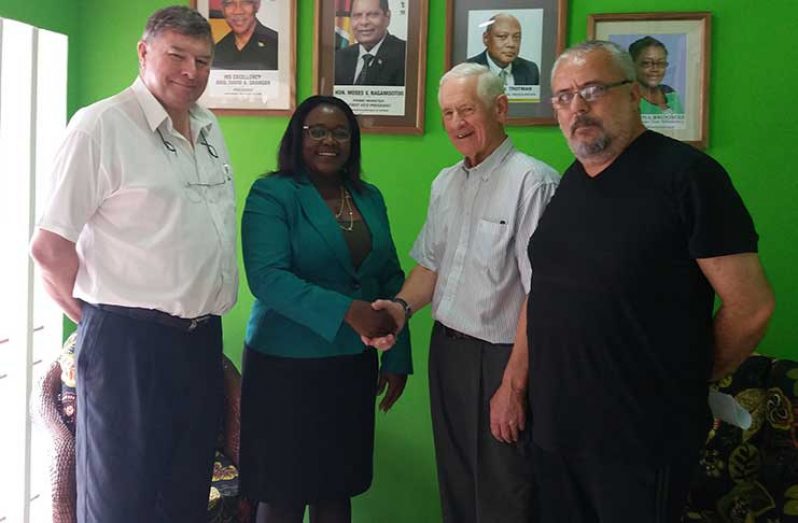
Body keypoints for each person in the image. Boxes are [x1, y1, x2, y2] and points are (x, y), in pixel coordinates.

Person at [526, 40, 775, 522]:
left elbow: (752, 306)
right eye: (563, 96)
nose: (577, 107)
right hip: (558, 432)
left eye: (593, 90)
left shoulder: (689, 178)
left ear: (634, 93)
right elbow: (548, 293)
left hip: (639, 439)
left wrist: (684, 380)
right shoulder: (574, 180)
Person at [29, 6, 237, 523]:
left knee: (184, 495)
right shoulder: (100, 126)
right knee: (121, 502)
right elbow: (49, 246)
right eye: (177, 56)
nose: (192, 72)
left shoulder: (209, 127)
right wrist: (100, 319)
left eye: (204, 61)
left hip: (200, 341)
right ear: (144, 53)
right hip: (128, 346)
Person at [363, 62, 559, 523]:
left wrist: (513, 385)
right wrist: (399, 308)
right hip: (447, 354)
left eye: (467, 110)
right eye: (448, 113)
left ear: (501, 108)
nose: (456, 124)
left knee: (506, 492)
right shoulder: (445, 183)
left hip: (504, 359)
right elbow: (432, 264)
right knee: (457, 483)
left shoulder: (535, 183)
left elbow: (543, 297)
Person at [238, 95, 412, 523]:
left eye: (340, 132)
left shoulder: (368, 196)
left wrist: (398, 354)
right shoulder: (273, 193)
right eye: (316, 130)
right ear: (297, 137)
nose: (328, 141)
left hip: (351, 367)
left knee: (337, 490)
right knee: (282, 494)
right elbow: (268, 278)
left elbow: (389, 275)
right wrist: (348, 311)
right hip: (285, 368)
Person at [334, 0, 406, 86]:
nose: (364, 22)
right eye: (357, 15)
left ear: (387, 17)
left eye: (372, 15)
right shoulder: (339, 58)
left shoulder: (405, 55)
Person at [466, 13, 540, 86]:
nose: (511, 44)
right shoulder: (468, 70)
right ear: (486, 38)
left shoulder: (530, 70)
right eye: (502, 36)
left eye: (516, 37)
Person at [213, 0, 278, 70]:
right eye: (230, 3)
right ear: (222, 9)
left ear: (257, 6)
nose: (238, 11)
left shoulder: (277, 45)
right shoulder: (216, 51)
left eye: (246, 2)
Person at [629, 36, 683, 114]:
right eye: (646, 63)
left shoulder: (670, 93)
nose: (655, 69)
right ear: (632, 65)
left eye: (661, 63)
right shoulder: (628, 100)